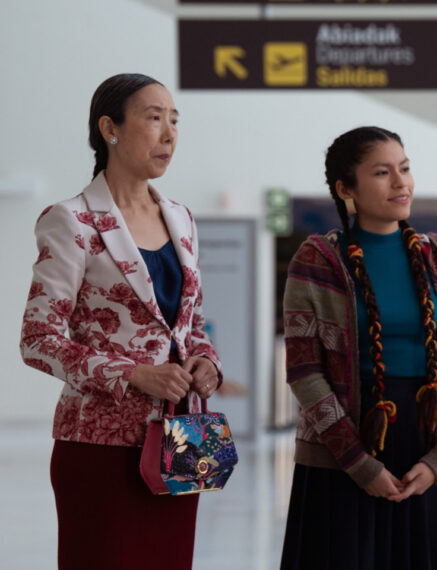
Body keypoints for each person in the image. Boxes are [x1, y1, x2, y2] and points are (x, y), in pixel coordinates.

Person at [19, 73, 222, 570]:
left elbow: (191, 326)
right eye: (154, 119)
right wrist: (133, 373)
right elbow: (38, 339)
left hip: (184, 436)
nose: (169, 134)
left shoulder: (182, 217)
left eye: (174, 120)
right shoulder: (71, 220)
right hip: (99, 445)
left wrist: (206, 361)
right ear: (109, 128)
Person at [280, 126, 437, 569]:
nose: (401, 183)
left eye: (405, 169)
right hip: (340, 453)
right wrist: (359, 463)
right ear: (346, 189)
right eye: (383, 173)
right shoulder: (316, 261)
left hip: (423, 448)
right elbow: (304, 372)